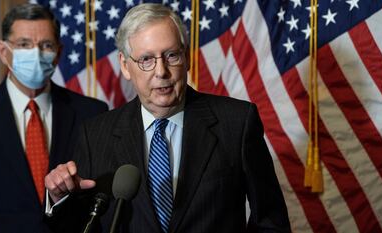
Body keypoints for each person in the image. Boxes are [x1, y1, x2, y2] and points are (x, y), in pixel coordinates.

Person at [45, 3, 291, 233]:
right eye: (146, 60)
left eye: (171, 55)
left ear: (186, 58)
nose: (161, 72)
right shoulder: (95, 134)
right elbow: (82, 226)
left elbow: (271, 219)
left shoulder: (236, 122)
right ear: (125, 65)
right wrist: (59, 197)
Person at [0, 3, 108, 233]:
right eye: (24, 44)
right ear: (3, 51)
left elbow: (99, 199)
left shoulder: (93, 113)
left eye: (46, 45)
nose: (36, 53)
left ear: (59, 52)